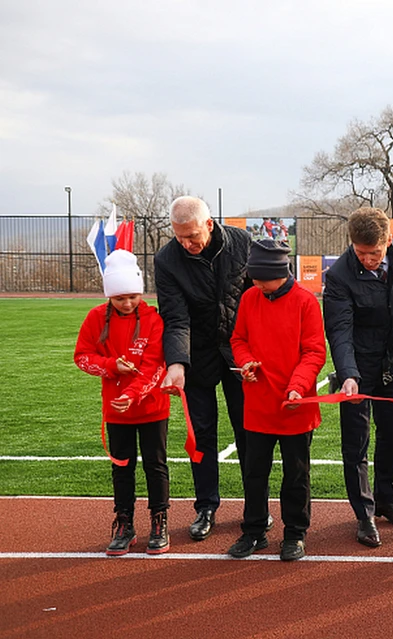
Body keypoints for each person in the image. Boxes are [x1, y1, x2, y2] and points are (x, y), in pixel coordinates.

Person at [154, 196, 254, 541]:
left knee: (248, 431)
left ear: (209, 225)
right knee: (202, 434)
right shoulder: (167, 260)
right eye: (179, 237)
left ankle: (255, 508)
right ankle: (206, 507)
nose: (186, 244)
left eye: (192, 236)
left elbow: (256, 299)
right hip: (197, 354)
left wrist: (255, 351)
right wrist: (177, 363)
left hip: (240, 352)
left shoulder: (242, 243)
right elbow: (174, 316)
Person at [323, 207, 393, 547]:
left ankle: (387, 502)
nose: (367, 259)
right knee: (357, 441)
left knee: (392, 433)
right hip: (358, 363)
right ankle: (364, 515)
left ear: (389, 241)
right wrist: (348, 374)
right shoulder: (338, 276)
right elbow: (339, 330)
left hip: (391, 359)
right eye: (360, 252)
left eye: (374, 253)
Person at [228, 239, 326, 561]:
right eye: (253, 278)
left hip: (295, 405)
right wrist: (244, 363)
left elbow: (314, 352)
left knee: (296, 474)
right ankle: (254, 530)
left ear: (280, 273)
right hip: (258, 404)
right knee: (254, 471)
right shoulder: (249, 298)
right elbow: (238, 339)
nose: (255, 284)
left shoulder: (306, 302)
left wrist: (297, 386)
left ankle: (295, 534)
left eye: (260, 278)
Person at [74, 250, 171, 556]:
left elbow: (158, 365)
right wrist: (112, 366)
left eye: (132, 296)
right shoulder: (94, 318)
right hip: (116, 411)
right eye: (119, 298)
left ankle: (159, 520)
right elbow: (82, 357)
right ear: (109, 297)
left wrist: (133, 394)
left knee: (156, 466)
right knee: (122, 469)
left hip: (151, 407)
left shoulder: (154, 319)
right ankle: (124, 522)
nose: (127, 303)